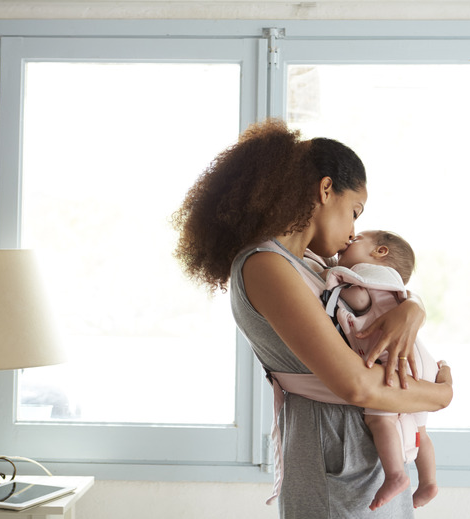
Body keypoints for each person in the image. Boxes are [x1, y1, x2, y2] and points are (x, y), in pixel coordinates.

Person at [173, 119, 452, 518]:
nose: (355, 231)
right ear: (325, 190)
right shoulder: (265, 265)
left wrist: (412, 307)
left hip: (367, 453)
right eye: (355, 211)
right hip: (336, 455)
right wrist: (440, 396)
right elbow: (355, 383)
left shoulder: (311, 264)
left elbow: (370, 293)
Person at [326, 230, 440, 510]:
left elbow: (360, 300)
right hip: (421, 360)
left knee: (380, 420)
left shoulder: (363, 276)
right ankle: (428, 482)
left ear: (379, 252)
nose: (350, 236)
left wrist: (336, 291)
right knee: (420, 429)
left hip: (396, 361)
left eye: (358, 239)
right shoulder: (394, 285)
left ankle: (396, 475)